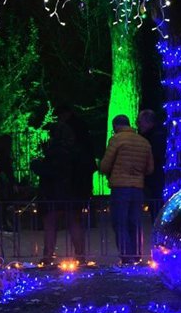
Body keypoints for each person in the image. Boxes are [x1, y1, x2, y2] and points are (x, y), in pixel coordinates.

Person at [33, 105, 90, 261]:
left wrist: (36, 165)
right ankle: (80, 255)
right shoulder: (76, 151)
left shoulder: (53, 152)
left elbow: (49, 171)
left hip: (53, 194)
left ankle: (48, 255)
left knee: (51, 225)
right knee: (74, 224)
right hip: (73, 193)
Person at [99, 114, 154, 264]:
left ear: (115, 126)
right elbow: (150, 169)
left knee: (120, 222)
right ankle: (137, 255)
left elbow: (105, 165)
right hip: (138, 188)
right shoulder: (144, 141)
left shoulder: (116, 140)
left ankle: (126, 256)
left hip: (120, 187)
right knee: (135, 222)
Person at [137, 109, 167, 221]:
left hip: (155, 176)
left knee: (155, 203)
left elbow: (155, 155)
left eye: (140, 122)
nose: (138, 125)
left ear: (147, 122)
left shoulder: (155, 136)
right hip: (155, 175)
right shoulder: (156, 134)